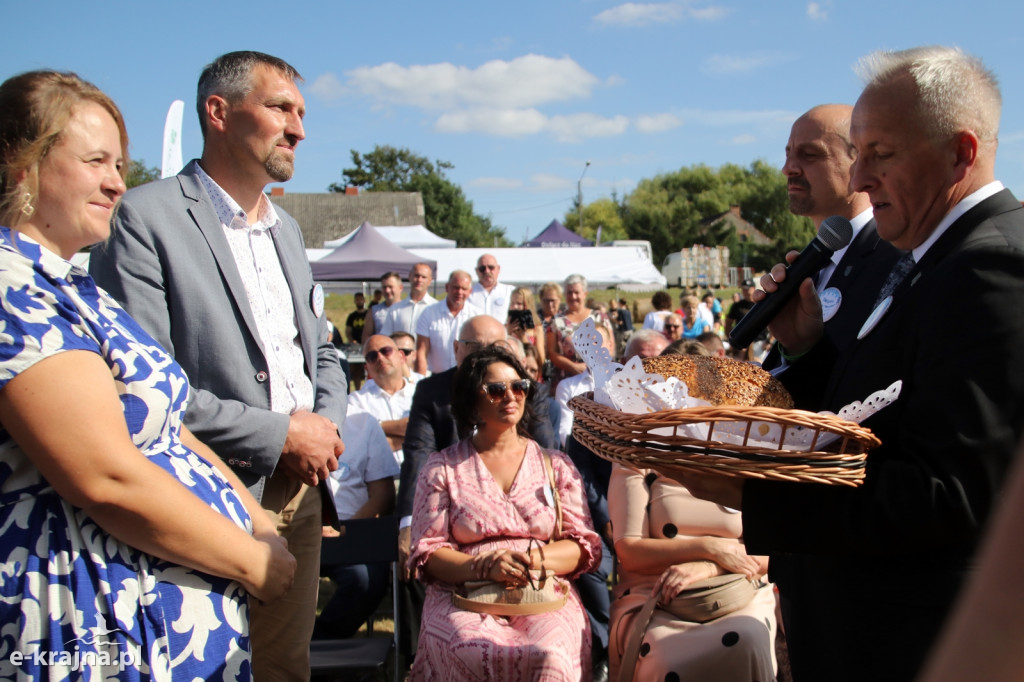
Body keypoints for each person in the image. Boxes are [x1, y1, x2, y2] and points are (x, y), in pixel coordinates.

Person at [675, 46, 1024, 681]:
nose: (860, 180)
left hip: (912, 639)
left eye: (879, 155)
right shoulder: (932, 258)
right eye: (856, 154)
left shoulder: (989, 268)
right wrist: (806, 350)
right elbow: (876, 410)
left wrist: (756, 491)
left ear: (961, 154)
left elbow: (951, 493)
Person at [0, 69, 296, 677]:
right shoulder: (13, 288)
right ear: (20, 165)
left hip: (160, 621)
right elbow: (106, 476)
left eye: (121, 164)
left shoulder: (75, 286)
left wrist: (254, 519)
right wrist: (250, 560)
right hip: (82, 618)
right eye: (96, 162)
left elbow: (168, 428)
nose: (116, 183)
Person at [89, 51, 348, 680]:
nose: (299, 129)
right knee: (197, 667)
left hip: (301, 488)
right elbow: (142, 382)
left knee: (284, 669)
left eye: (303, 113)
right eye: (281, 108)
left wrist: (323, 430)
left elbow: (322, 350)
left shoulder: (286, 229)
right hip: (201, 494)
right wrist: (282, 433)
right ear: (219, 113)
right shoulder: (144, 218)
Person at [407, 345, 601, 680]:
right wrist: (483, 566)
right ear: (471, 399)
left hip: (543, 588)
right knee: (468, 648)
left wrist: (531, 561)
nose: (510, 396)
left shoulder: (556, 466)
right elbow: (427, 551)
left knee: (550, 655)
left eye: (519, 386)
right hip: (463, 592)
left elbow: (583, 544)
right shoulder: (442, 468)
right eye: (496, 389)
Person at [397, 315, 556, 662]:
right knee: (410, 562)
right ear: (456, 349)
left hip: (534, 554)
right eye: (475, 347)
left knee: (593, 575)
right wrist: (408, 523)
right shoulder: (431, 391)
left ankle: (603, 651)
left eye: (494, 347)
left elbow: (546, 450)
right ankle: (413, 658)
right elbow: (417, 457)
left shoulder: (523, 389)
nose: (485, 354)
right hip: (451, 527)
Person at [762, 103, 902, 370]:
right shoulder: (810, 264)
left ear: (859, 161)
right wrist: (795, 348)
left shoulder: (896, 260)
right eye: (789, 154)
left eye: (810, 154)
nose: (788, 168)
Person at [608, 465, 777, 681]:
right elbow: (630, 550)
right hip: (657, 594)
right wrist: (708, 548)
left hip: (739, 587)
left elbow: (774, 552)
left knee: (748, 640)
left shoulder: (748, 444)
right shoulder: (637, 450)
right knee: (667, 657)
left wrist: (711, 567)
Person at [315, 411, 398, 639]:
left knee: (365, 580)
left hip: (349, 531)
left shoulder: (363, 423)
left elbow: (383, 495)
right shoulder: (286, 419)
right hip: (292, 532)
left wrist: (343, 529)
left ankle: (319, 644)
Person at [348, 335, 419, 465]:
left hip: (421, 476)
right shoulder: (355, 401)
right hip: (379, 480)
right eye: (372, 356)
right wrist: (415, 436)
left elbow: (423, 428)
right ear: (367, 367)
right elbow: (361, 447)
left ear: (401, 356)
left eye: (386, 351)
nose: (380, 358)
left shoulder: (421, 392)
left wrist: (375, 427)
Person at [546, 274, 613, 389]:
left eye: (576, 292)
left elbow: (610, 347)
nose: (573, 296)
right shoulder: (556, 321)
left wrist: (594, 367)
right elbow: (552, 353)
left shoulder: (600, 317)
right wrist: (573, 366)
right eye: (569, 293)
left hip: (597, 380)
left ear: (585, 293)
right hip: (566, 381)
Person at [414, 270, 481, 375]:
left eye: (464, 289)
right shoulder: (429, 313)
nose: (459, 292)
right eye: (456, 287)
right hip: (437, 378)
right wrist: (420, 379)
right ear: (447, 287)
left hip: (467, 377)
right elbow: (422, 352)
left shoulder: (477, 316)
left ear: (470, 291)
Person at [381, 262, 436, 337]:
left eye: (423, 277)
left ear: (430, 281)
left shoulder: (435, 308)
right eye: (416, 276)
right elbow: (385, 336)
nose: (419, 280)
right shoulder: (395, 309)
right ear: (409, 276)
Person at [468, 252, 516, 323]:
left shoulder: (510, 291)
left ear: (498, 269)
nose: (487, 271)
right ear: (477, 271)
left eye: (491, 267)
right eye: (482, 268)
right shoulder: (468, 294)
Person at [506, 286, 546, 364]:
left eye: (519, 303)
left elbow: (541, 359)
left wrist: (524, 340)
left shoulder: (536, 328)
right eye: (512, 303)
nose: (514, 307)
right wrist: (507, 334)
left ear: (527, 305)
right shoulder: (504, 328)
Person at [363, 271, 404, 343]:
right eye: (384, 287)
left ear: (400, 288)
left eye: (390, 287)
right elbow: (366, 337)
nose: (387, 290)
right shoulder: (374, 311)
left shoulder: (408, 309)